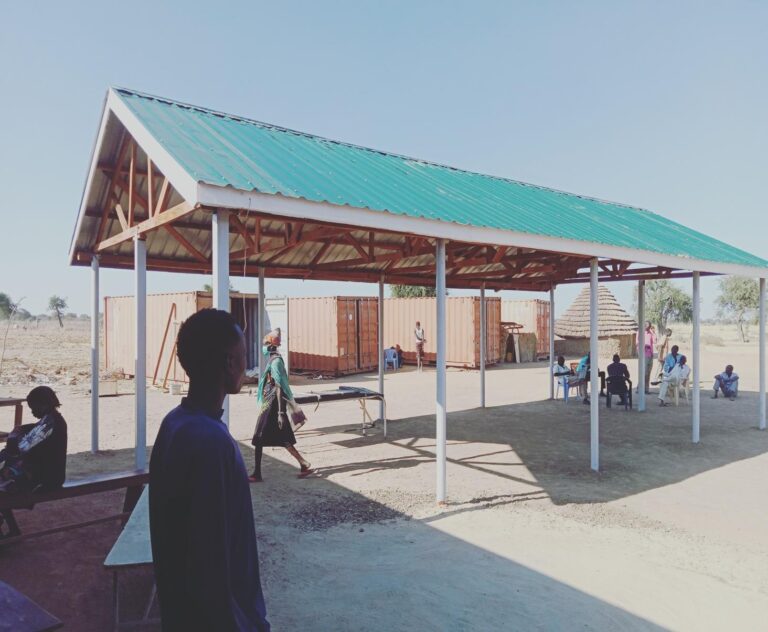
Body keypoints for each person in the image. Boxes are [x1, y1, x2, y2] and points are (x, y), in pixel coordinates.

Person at [149, 309, 270, 631]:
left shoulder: (175, 424)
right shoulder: (210, 443)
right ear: (230, 362)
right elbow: (210, 559)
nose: (247, 364)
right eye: (244, 355)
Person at [251, 328, 312, 482]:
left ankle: (257, 474)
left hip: (273, 406)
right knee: (282, 437)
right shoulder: (273, 360)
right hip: (269, 403)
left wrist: (280, 413)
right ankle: (303, 463)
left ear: (271, 346)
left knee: (260, 437)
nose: (264, 347)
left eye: (266, 344)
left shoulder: (276, 362)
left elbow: (279, 386)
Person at [0, 386, 67, 494]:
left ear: (43, 405)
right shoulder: (53, 419)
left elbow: (20, 450)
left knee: (7, 475)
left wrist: (12, 440)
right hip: (50, 474)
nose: (32, 412)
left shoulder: (50, 424)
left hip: (48, 478)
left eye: (33, 408)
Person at [636, 321, 657, 394]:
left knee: (648, 373)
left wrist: (654, 333)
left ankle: (646, 389)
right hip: (643, 354)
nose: (648, 327)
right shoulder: (639, 332)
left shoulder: (650, 333)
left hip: (650, 354)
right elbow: (637, 343)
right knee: (643, 373)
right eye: (647, 325)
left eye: (649, 326)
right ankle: (639, 388)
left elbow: (654, 341)